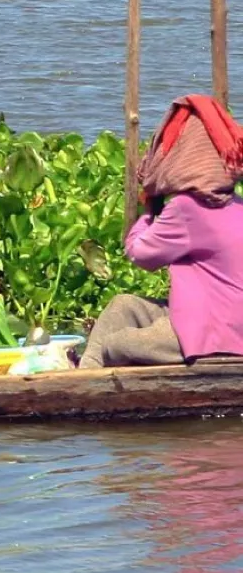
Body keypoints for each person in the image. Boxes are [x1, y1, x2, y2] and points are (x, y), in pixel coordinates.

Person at [80, 94, 243, 369]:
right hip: (207, 319)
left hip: (215, 333)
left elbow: (140, 253)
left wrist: (148, 213)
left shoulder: (186, 208)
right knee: (122, 305)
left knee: (116, 344)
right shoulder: (237, 204)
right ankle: (84, 378)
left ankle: (85, 378)